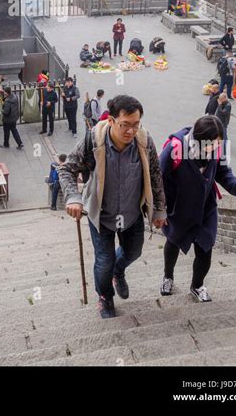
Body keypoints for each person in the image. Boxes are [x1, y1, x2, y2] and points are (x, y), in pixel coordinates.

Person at [59, 94, 167, 319]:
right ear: (111, 121)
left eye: (135, 125)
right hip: (102, 214)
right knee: (104, 261)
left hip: (132, 212)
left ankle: (119, 271)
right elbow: (66, 169)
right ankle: (105, 297)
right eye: (124, 125)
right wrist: (73, 198)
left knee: (133, 252)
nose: (130, 131)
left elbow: (156, 175)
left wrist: (159, 209)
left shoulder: (144, 142)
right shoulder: (93, 141)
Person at [159, 115, 236, 302]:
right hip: (179, 208)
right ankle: (168, 276)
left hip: (205, 207)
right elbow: (158, 181)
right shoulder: (174, 149)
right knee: (173, 242)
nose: (216, 148)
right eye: (212, 145)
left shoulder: (217, 149)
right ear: (199, 140)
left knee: (205, 247)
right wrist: (159, 210)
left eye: (219, 144)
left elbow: (224, 173)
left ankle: (197, 285)